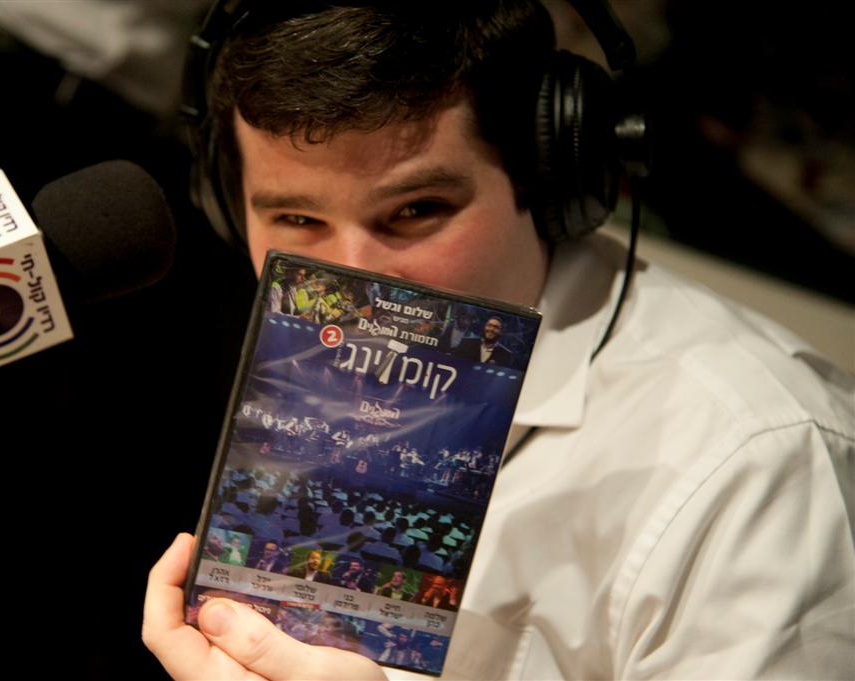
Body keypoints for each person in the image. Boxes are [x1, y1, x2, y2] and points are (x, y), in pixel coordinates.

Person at [142, 2, 854, 680]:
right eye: (298, 221)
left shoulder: (761, 462)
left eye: (415, 210)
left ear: (547, 183)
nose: (354, 279)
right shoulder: (288, 395)